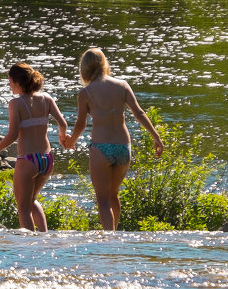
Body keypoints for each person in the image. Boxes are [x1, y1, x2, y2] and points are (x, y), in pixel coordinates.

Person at [62, 47, 164, 231]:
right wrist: (156, 136)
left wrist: (71, 141)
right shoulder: (122, 85)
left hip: (101, 147)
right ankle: (114, 233)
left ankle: (109, 238)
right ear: (104, 64)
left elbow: (80, 124)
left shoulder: (86, 93)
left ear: (84, 68)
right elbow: (139, 112)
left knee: (102, 198)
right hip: (124, 147)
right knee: (113, 194)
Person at [0, 62, 68, 231]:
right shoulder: (46, 99)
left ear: (17, 82)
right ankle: (44, 236)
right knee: (32, 201)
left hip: (28, 159)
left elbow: (12, 135)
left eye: (10, 81)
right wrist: (62, 138)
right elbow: (63, 123)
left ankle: (29, 245)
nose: (9, 85)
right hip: (46, 158)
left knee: (23, 208)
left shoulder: (16, 103)